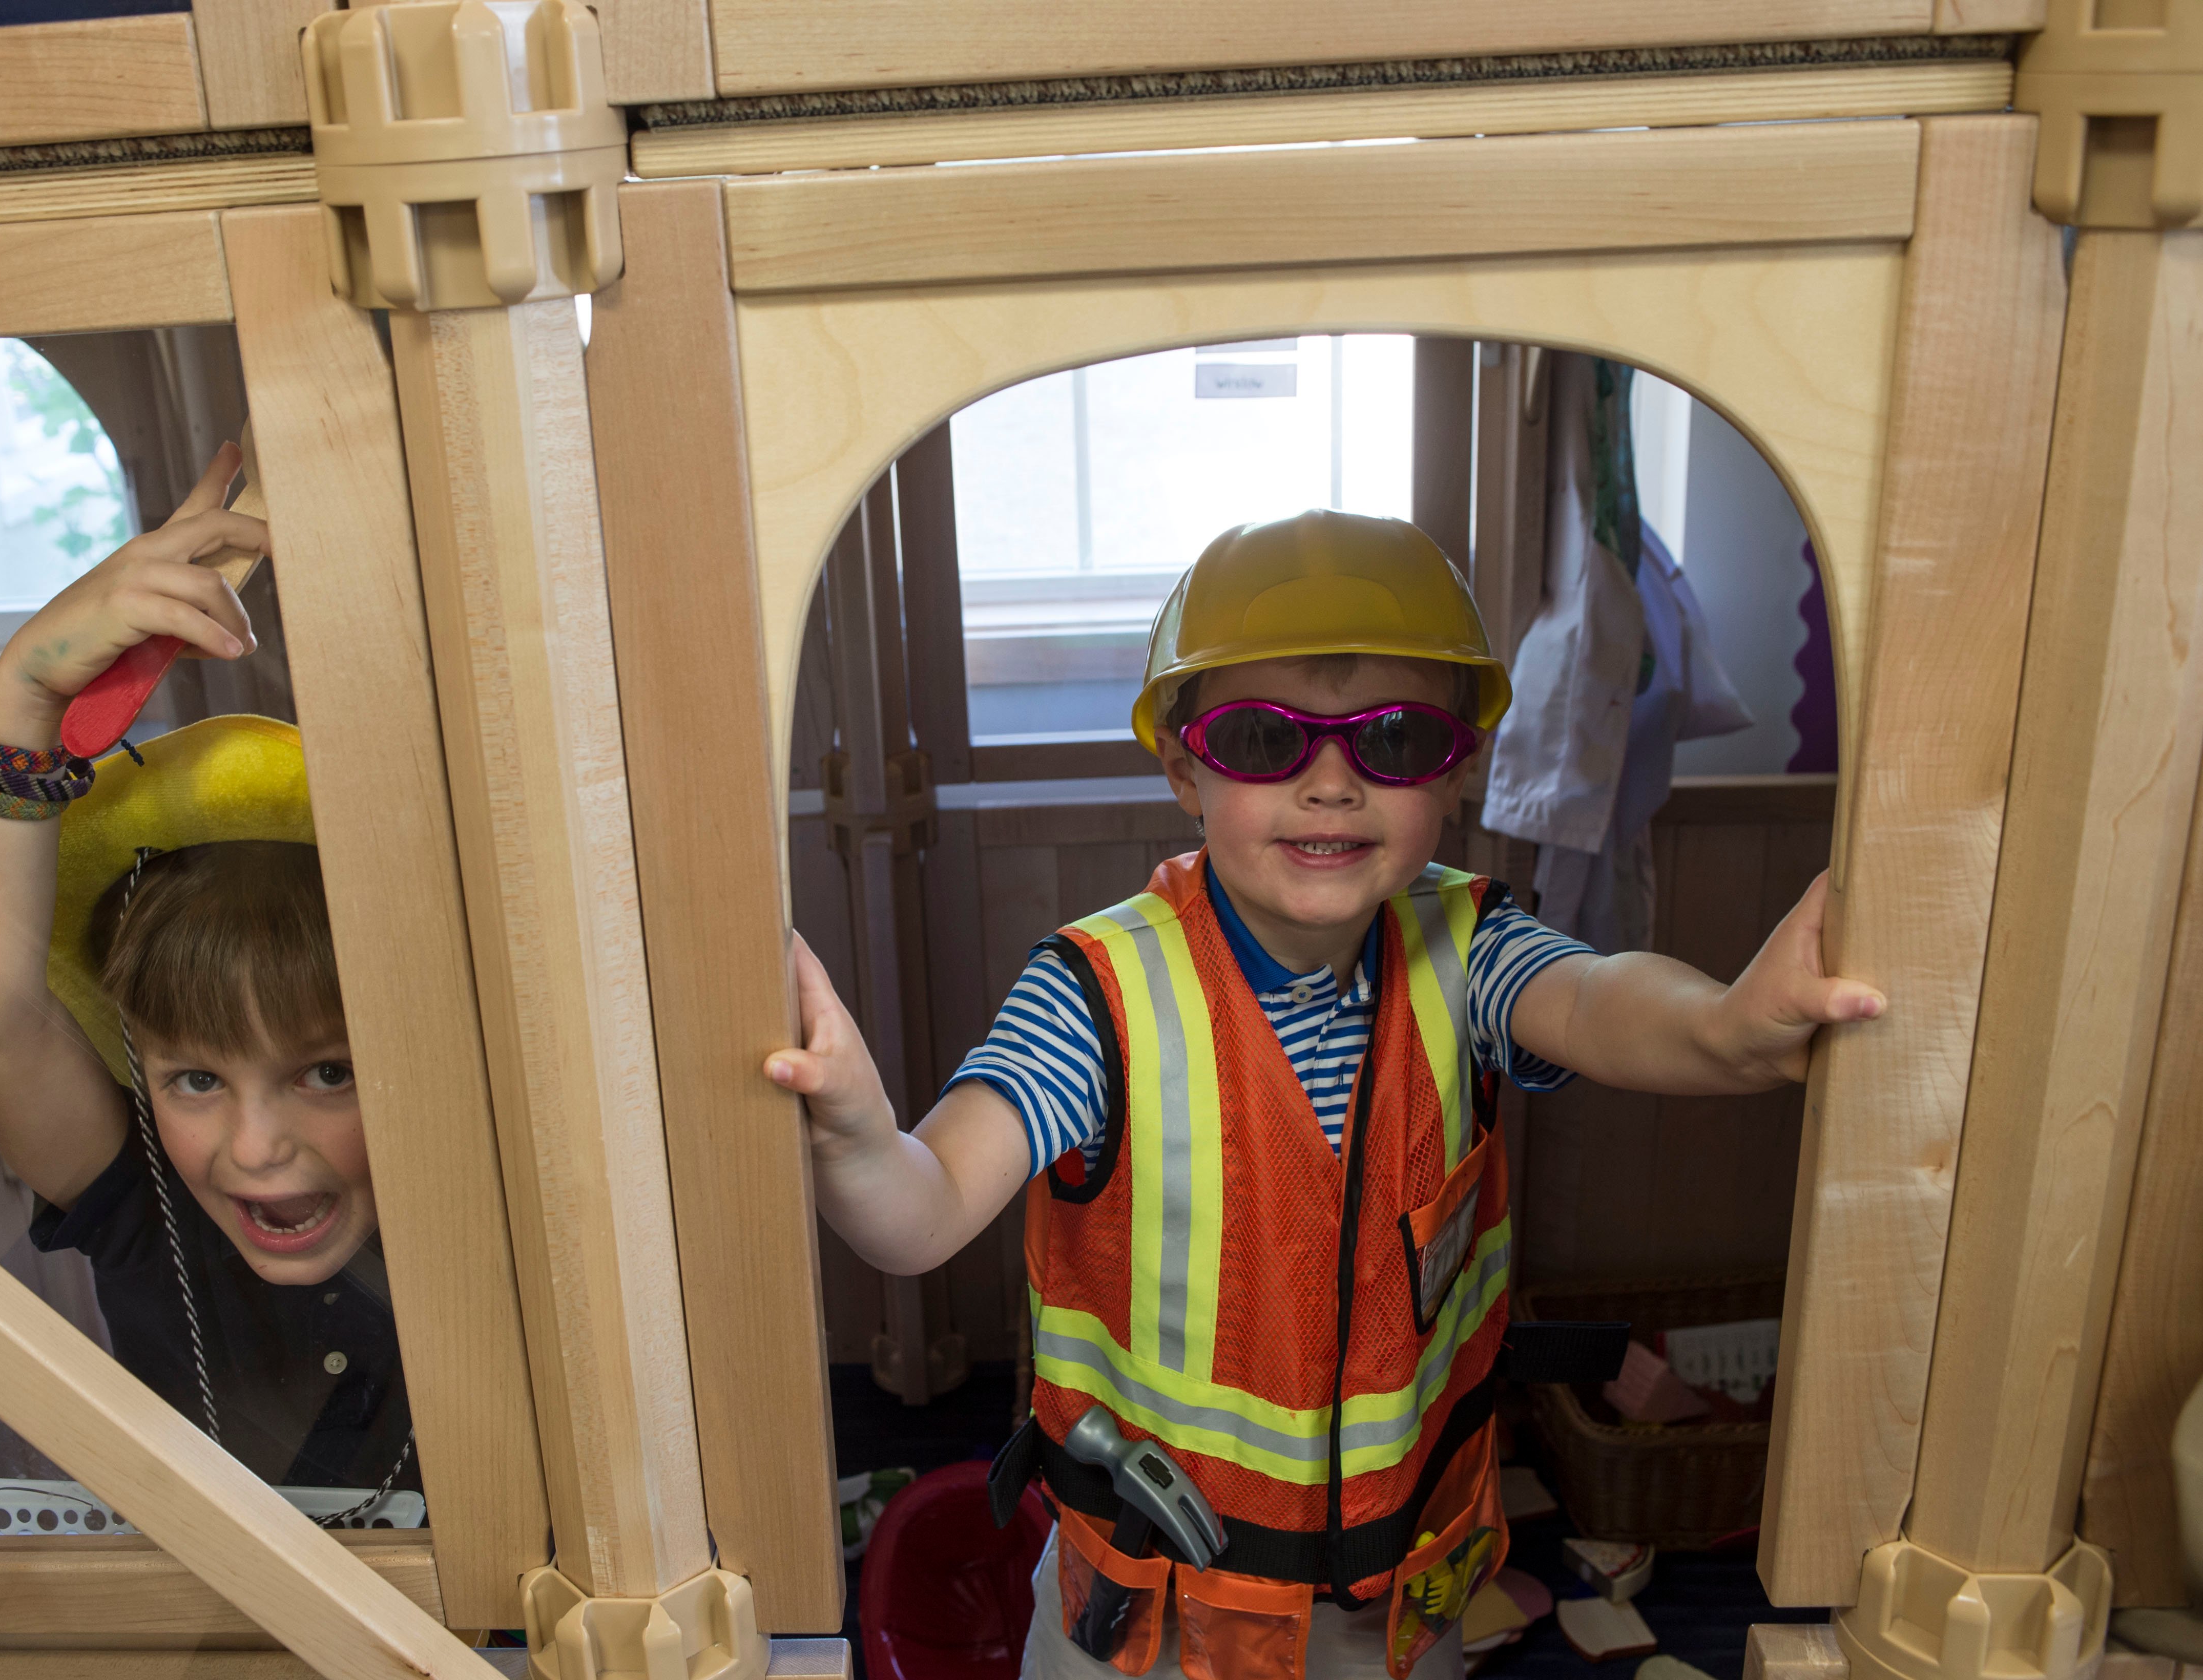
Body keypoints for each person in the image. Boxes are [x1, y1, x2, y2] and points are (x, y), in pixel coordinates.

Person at [768, 511, 1882, 1680]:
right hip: (1159, 1615)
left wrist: (1723, 1030)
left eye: (1394, 741)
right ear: (1185, 767)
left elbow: (1601, 999)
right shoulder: (1096, 996)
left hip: (1395, 1595)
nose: (1333, 783)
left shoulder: (1470, 945)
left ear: (1454, 767)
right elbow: (923, 1206)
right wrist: (855, 1134)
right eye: (1263, 738)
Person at [0, 447, 416, 1501]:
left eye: (327, 1072)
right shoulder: (142, 1196)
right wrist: (28, 690)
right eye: (196, 1078)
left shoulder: (503, 1196)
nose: (254, 1146)